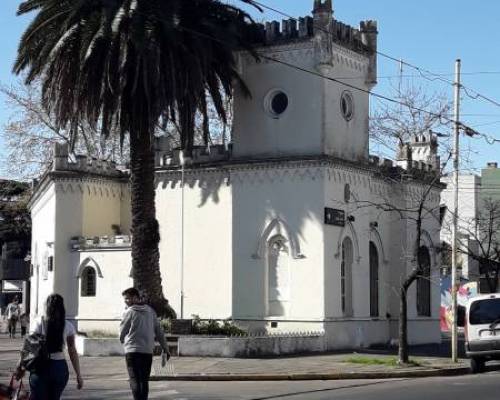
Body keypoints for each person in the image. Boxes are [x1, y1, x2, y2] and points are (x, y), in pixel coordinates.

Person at [16, 294, 83, 399]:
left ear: (47, 307)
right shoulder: (68, 325)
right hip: (60, 369)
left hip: (40, 368)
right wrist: (78, 375)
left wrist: (20, 368)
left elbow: (28, 347)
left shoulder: (39, 323)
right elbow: (72, 351)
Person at [120, 287, 170, 400]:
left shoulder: (129, 312)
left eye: (127, 299)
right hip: (147, 351)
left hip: (132, 351)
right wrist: (165, 348)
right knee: (144, 380)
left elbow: (122, 332)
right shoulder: (150, 311)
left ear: (135, 297)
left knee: (134, 379)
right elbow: (159, 331)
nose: (125, 301)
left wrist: (123, 340)